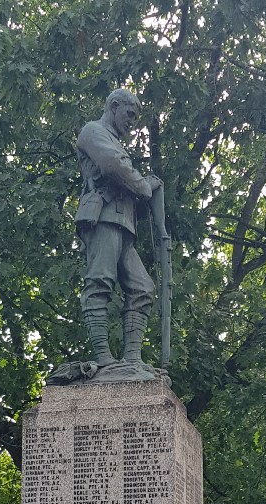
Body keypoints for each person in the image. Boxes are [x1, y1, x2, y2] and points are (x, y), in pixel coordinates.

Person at [75, 89, 162, 368]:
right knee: (99, 282)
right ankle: (103, 359)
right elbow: (114, 166)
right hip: (102, 218)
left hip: (123, 224)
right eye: (129, 114)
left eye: (136, 118)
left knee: (143, 288)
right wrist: (144, 185)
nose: (132, 123)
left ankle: (131, 360)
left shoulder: (114, 140)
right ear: (113, 106)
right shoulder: (93, 131)